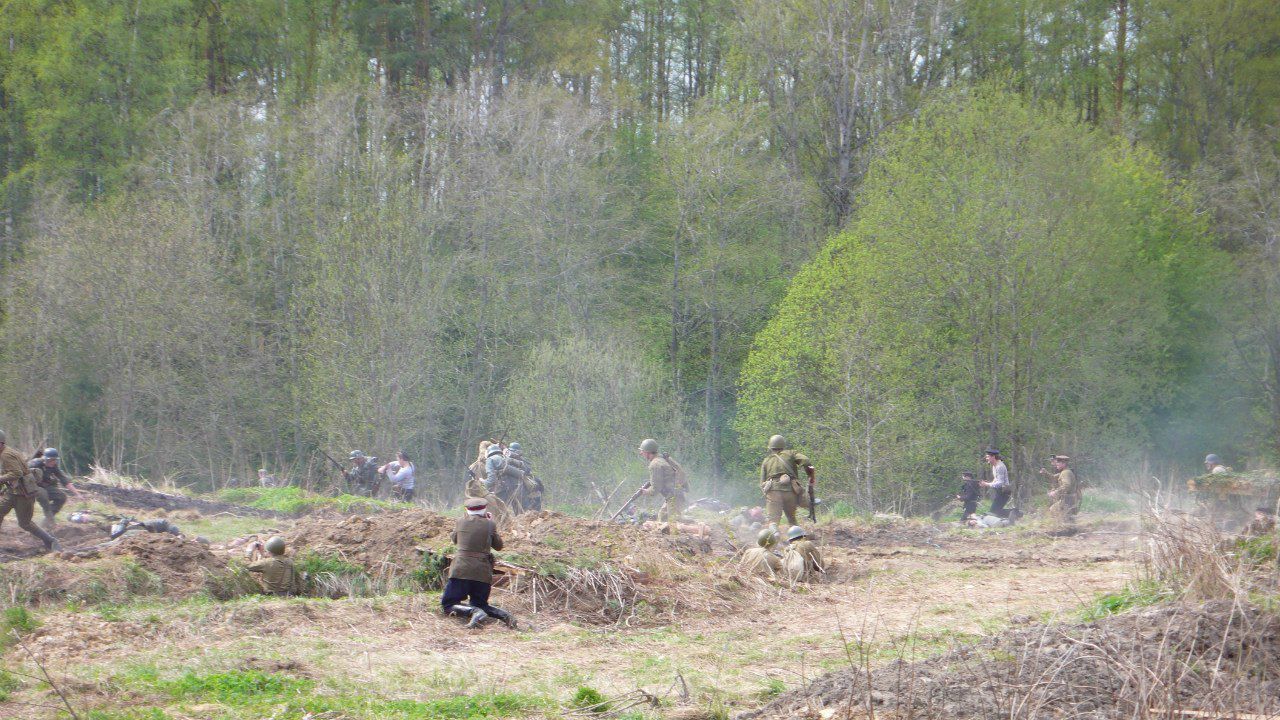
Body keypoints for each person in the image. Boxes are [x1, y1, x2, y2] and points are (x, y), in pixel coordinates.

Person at [441, 497, 517, 629]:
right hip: (482, 572)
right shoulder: (490, 524)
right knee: (480, 603)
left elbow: (454, 540)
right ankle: (505, 616)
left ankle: (474, 612)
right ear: (484, 510)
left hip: (461, 570)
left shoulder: (460, 522)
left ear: (467, 510)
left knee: (448, 604)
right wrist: (489, 522)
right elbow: (498, 546)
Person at [0, 431, 59, 552]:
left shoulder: (6, 455)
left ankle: (51, 540)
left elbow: (17, 473)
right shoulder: (6, 452)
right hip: (13, 492)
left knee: (25, 523)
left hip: (23, 494)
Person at [759, 435, 815, 527]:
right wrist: (811, 476)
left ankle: (774, 537)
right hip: (790, 492)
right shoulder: (791, 454)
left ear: (770, 447)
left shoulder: (766, 461)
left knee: (773, 522)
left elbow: (762, 483)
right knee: (792, 519)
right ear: (783, 445)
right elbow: (806, 461)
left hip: (773, 492)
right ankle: (796, 539)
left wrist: (768, 495)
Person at [637, 439, 688, 535]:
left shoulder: (655, 464)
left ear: (648, 452)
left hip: (674, 497)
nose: (641, 453)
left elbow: (656, 489)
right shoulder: (662, 459)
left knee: (673, 526)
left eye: (642, 451)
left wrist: (645, 491)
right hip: (675, 496)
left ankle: (680, 541)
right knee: (662, 517)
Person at [30, 448, 78, 530]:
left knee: (61, 497)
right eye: (51, 460)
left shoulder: (53, 466)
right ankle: (50, 521)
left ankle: (46, 521)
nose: (53, 462)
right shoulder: (34, 464)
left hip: (44, 486)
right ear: (45, 459)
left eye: (55, 460)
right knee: (43, 495)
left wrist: (77, 493)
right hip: (32, 486)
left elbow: (63, 479)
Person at [1041, 455, 1081, 522]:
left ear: (1063, 463)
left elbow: (1066, 485)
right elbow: (1054, 477)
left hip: (1068, 499)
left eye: (1058, 463)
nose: (1056, 464)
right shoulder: (1065, 472)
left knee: (1053, 510)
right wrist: (1045, 473)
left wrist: (1055, 492)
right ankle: (1067, 527)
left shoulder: (1066, 473)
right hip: (1069, 498)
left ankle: (1060, 526)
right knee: (1066, 517)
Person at [980, 448, 1012, 518]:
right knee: (995, 511)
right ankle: (1013, 514)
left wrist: (987, 484)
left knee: (994, 512)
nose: (986, 458)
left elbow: (1000, 483)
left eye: (988, 457)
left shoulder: (1000, 466)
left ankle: (1016, 513)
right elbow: (996, 479)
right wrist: (987, 483)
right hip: (1000, 491)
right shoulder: (994, 466)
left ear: (993, 457)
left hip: (1004, 491)